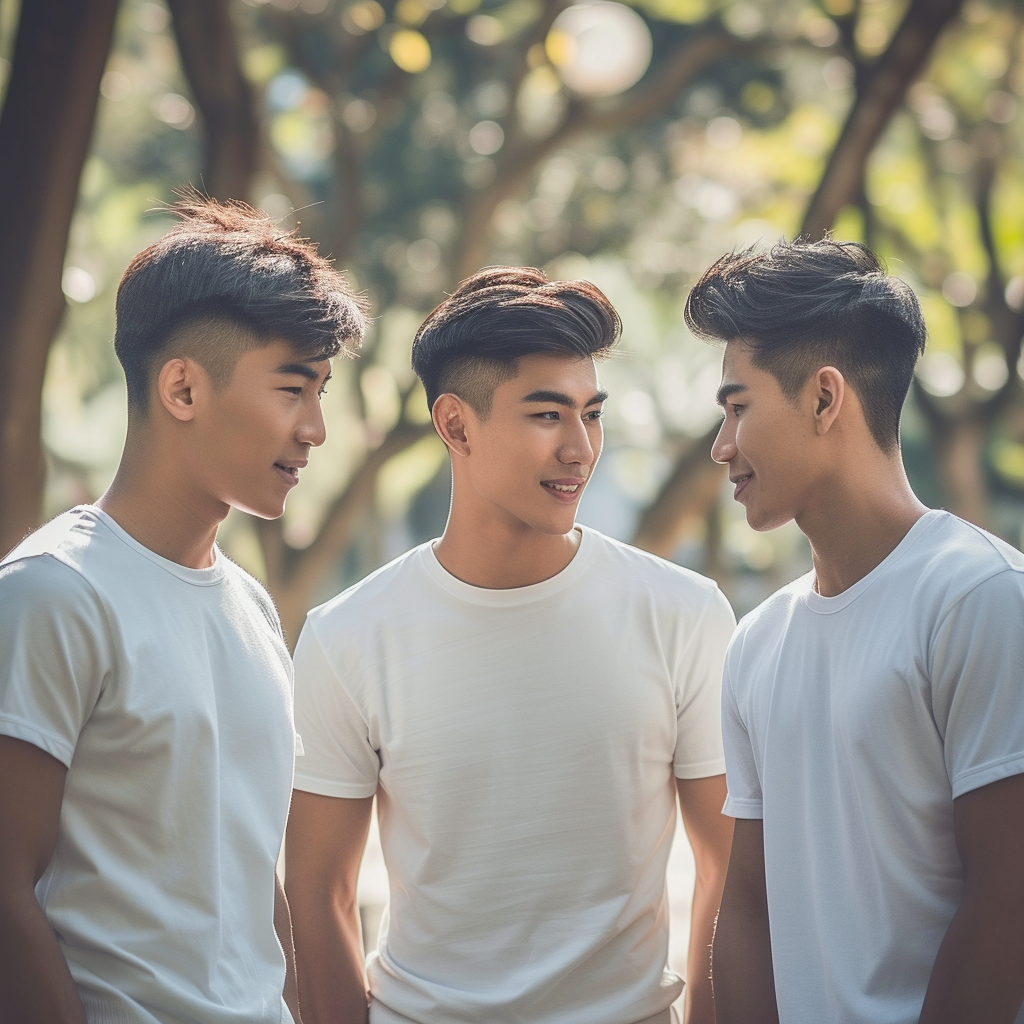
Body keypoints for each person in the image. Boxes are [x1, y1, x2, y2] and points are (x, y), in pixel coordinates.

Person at [284, 266, 736, 1024]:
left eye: (591, 414)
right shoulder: (348, 636)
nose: (581, 448)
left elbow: (729, 871)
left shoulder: (683, 613)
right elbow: (317, 891)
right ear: (456, 425)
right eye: (547, 415)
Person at [0, 197, 367, 1024]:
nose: (314, 429)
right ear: (182, 387)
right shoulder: (54, 593)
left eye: (321, 393)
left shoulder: (251, 608)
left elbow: (248, 875)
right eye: (291, 389)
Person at [689, 238, 1024, 1024]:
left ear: (824, 398)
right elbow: (746, 908)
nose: (722, 446)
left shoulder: (979, 598)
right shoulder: (758, 643)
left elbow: (1009, 894)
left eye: (739, 407)